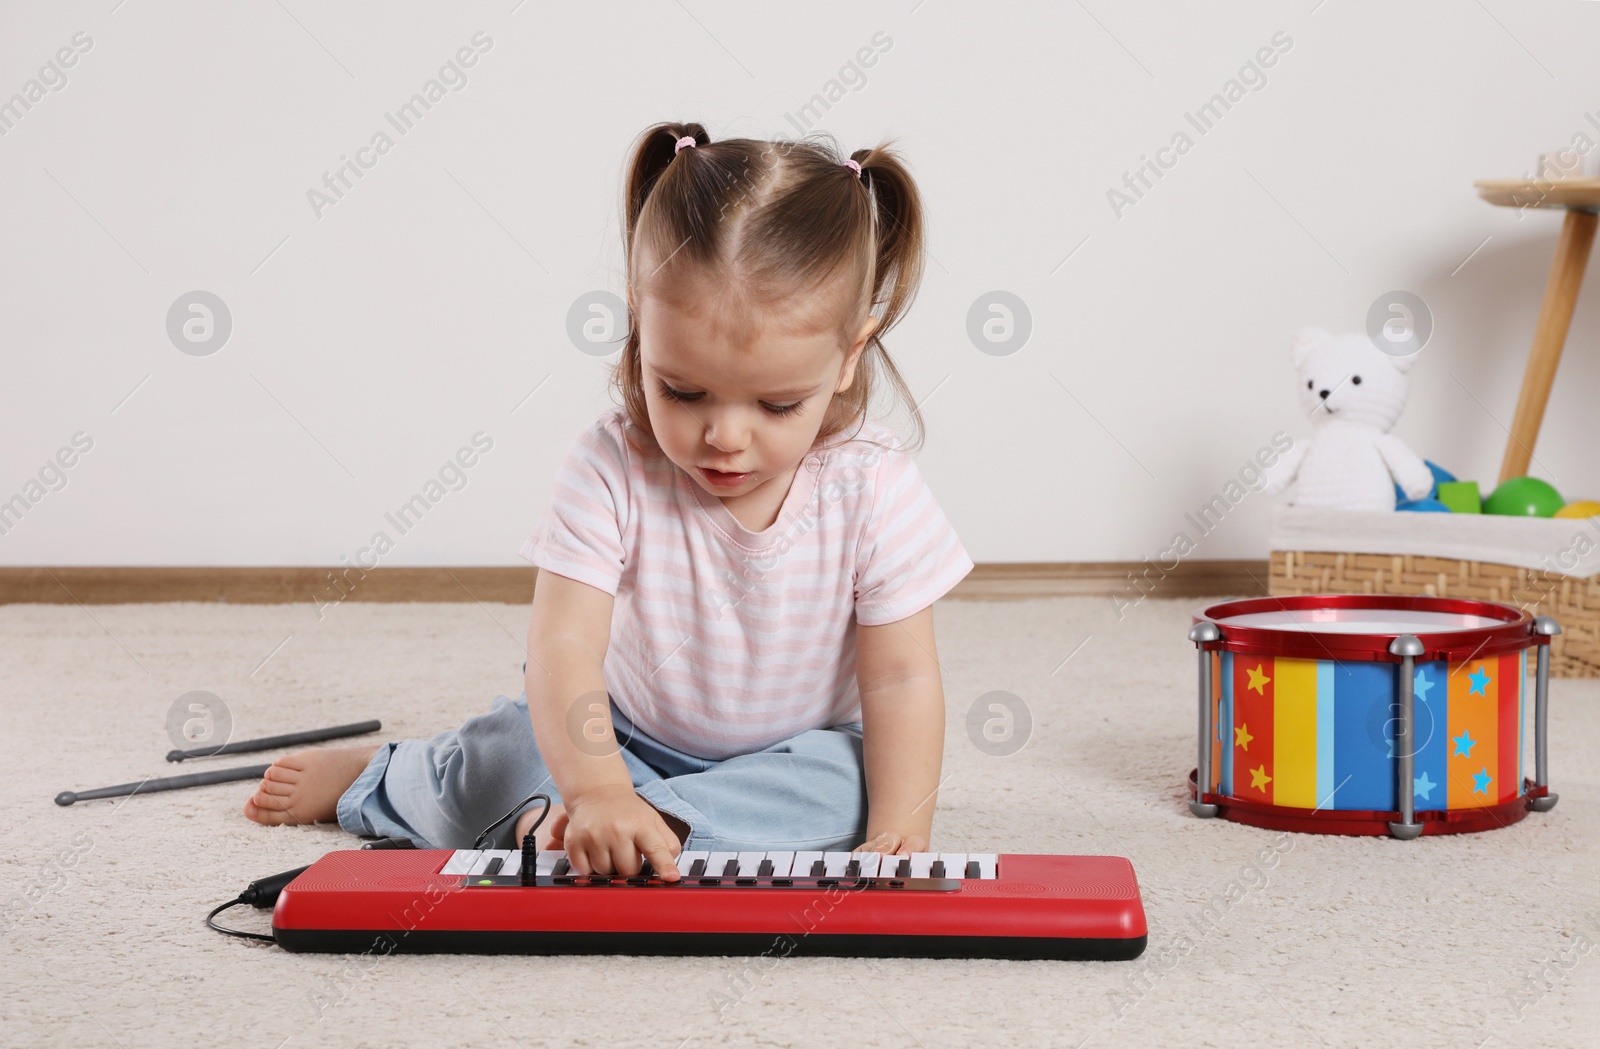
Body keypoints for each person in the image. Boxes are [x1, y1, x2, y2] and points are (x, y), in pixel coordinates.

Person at [243, 121, 974, 882]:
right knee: (515, 742)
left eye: (778, 404)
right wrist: (596, 785)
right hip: (614, 732)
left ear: (850, 356)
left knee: (848, 784)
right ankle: (395, 775)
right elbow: (563, 648)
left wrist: (898, 827)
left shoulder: (873, 483)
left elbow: (900, 679)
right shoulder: (612, 461)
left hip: (786, 753)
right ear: (639, 320)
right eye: (682, 390)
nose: (725, 436)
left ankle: (622, 822)